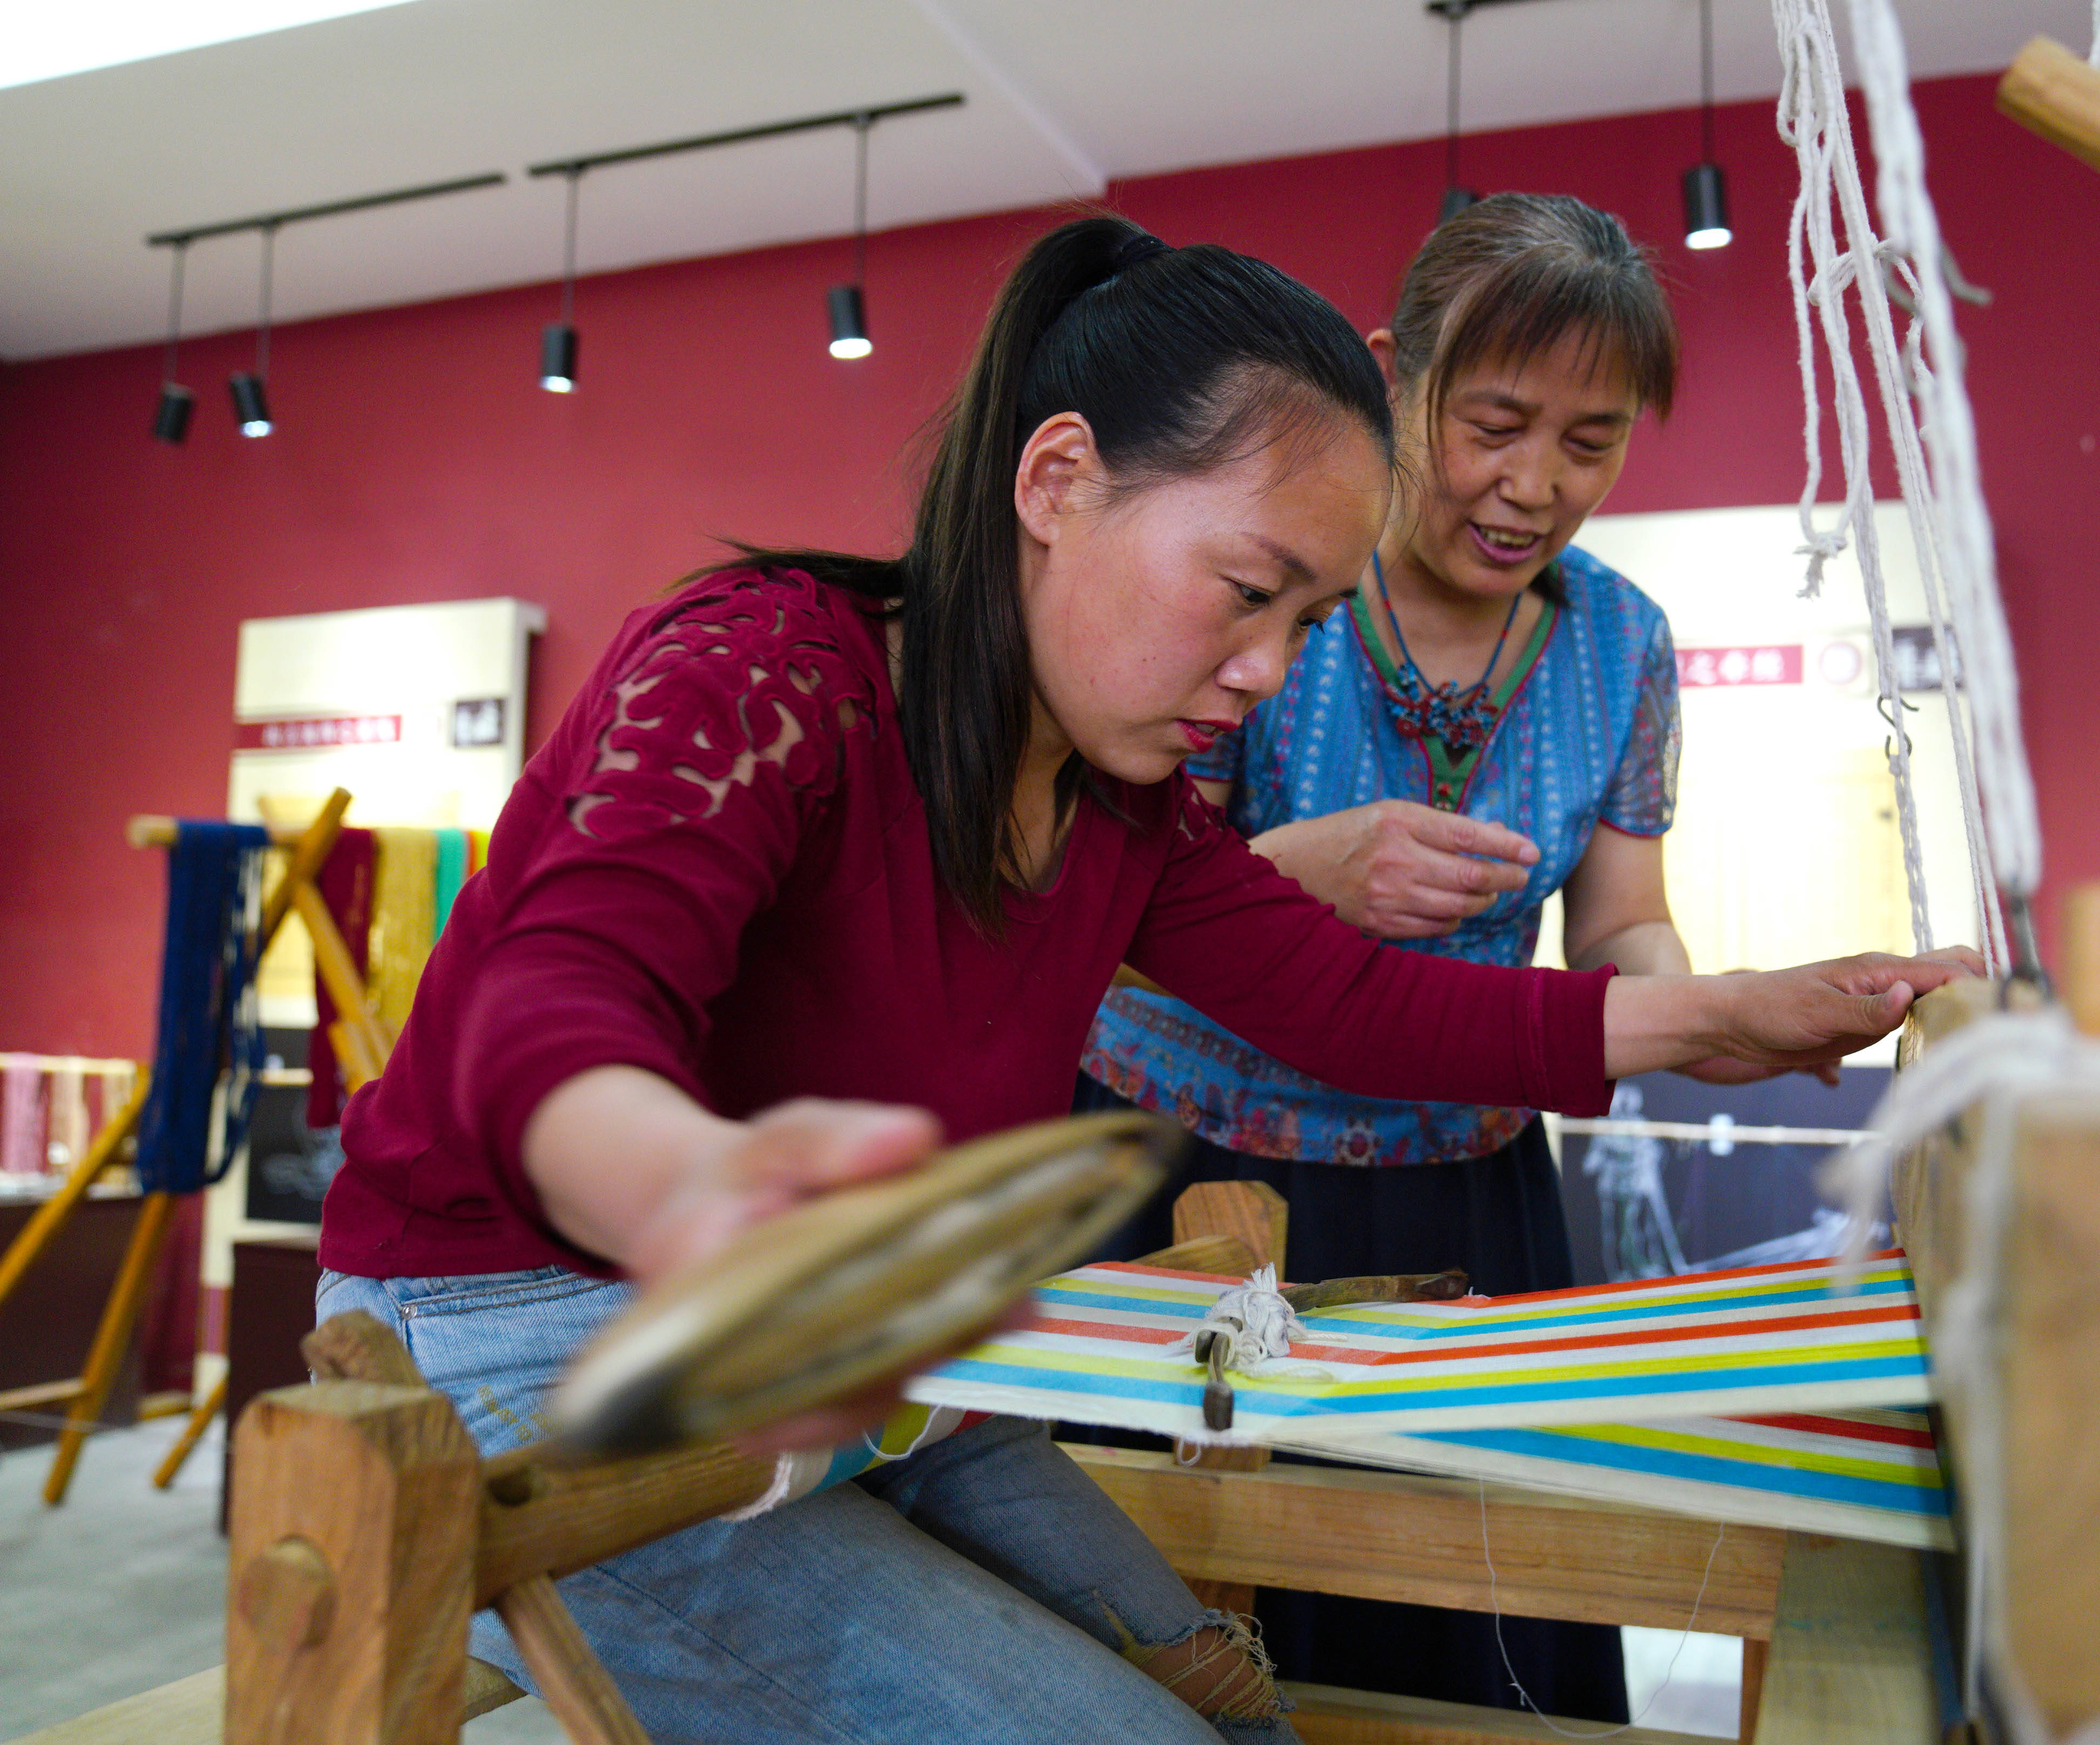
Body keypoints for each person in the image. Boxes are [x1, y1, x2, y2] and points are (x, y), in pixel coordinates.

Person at [316, 214, 1969, 1745]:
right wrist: (693, 1186)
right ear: (1057, 481)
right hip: (529, 1328)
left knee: (1230, 1705)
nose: (1261, 671)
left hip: (860, 1335)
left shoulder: (1123, 803)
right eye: (1246, 593)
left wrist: (1724, 1020)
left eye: (1307, 620)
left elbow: (1355, 1004)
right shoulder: (761, 673)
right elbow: (544, 1005)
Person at [1079, 194, 1947, 1719]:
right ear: (1389, 378)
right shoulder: (1281, 591)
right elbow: (1112, 914)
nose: (1532, 484)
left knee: (1462, 1635)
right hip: (1184, 1176)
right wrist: (1303, 874)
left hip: (1463, 1197)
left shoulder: (1620, 641)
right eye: (1492, 422)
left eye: (1588, 443)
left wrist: (1704, 1011)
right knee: (1178, 1610)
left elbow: (1618, 917)